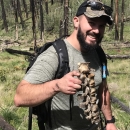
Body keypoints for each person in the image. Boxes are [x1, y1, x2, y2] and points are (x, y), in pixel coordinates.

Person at [14, 0, 117, 130]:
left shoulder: (98, 52)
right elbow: (20, 97)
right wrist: (56, 85)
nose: (96, 30)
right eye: (91, 23)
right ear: (76, 21)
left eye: (101, 26)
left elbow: (103, 89)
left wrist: (109, 121)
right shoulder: (55, 55)